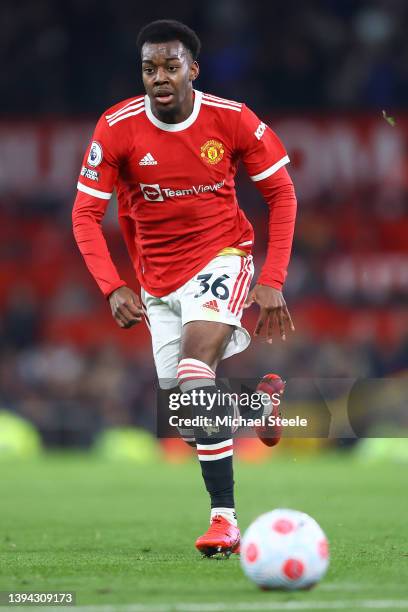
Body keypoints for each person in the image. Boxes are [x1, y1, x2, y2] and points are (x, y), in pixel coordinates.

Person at [72, 19, 297, 557]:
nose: (159, 77)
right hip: (157, 280)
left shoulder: (232, 119)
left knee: (196, 374)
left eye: (171, 66)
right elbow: (84, 215)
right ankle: (254, 403)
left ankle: (225, 521)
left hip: (222, 256)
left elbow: (283, 195)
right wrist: (111, 287)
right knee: (188, 417)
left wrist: (271, 280)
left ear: (193, 69)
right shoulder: (117, 127)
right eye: (149, 68)